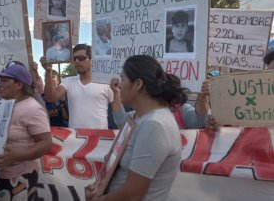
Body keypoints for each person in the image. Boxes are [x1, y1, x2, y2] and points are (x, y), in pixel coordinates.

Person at [85, 55, 185, 201]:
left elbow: (133, 194)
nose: (119, 84)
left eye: (123, 78)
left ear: (138, 84)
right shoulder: (136, 117)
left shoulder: (155, 126)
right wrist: (99, 188)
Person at [0, 61, 52, 200]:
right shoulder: (0, 106)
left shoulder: (33, 109)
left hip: (19, 178)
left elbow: (46, 143)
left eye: (5, 80)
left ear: (19, 84)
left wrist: (18, 156)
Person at [40, 44, 114, 129]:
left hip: (100, 139)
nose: (77, 61)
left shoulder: (105, 82)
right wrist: (48, 72)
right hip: (76, 140)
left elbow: (117, 109)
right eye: (75, 59)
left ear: (91, 59)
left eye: (81, 58)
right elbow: (50, 97)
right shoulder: (68, 81)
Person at [111, 73, 210, 129]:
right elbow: (121, 120)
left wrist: (202, 98)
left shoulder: (180, 110)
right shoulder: (142, 113)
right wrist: (116, 93)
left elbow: (198, 121)